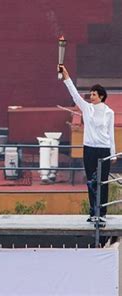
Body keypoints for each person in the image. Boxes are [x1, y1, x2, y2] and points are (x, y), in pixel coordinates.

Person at [59, 65, 116, 223]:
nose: (91, 96)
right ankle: (93, 212)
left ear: (101, 96)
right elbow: (75, 95)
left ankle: (102, 213)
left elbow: (110, 133)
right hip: (89, 149)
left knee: (103, 181)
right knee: (91, 181)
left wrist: (113, 153)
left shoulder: (109, 112)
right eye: (90, 94)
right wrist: (66, 76)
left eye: (94, 94)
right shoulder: (86, 108)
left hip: (104, 149)